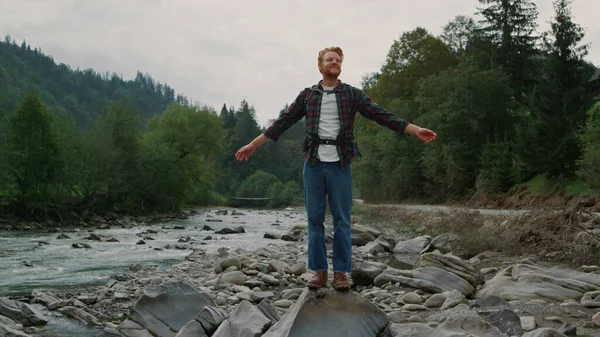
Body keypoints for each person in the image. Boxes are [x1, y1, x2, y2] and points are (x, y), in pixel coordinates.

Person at [235, 46, 437, 291]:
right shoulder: (308, 96)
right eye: (329, 59)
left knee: (342, 222)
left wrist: (415, 130)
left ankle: (341, 273)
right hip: (313, 164)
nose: (334, 62)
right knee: (315, 221)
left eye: (338, 60)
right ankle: (319, 272)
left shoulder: (352, 95)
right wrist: (254, 144)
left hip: (341, 164)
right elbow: (282, 123)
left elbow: (380, 115)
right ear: (320, 66)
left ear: (341, 66)